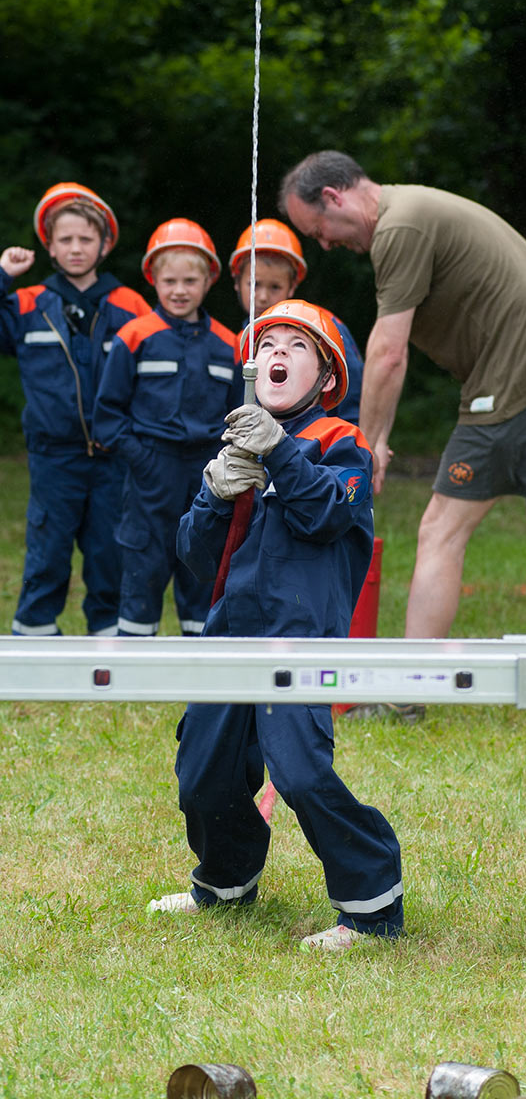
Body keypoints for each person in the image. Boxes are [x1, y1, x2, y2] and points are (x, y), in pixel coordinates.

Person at [278, 151, 526, 716]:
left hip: (522, 368)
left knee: (440, 528)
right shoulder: (414, 210)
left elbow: (388, 353)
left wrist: (365, 446)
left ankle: (406, 697)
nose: (326, 244)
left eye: (319, 230)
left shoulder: (399, 228)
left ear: (335, 198)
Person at [148, 300, 404, 950]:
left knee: (302, 774)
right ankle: (226, 883)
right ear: (251, 368)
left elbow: (328, 514)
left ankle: (372, 906)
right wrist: (214, 492)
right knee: (202, 772)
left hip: (301, 635)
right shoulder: (238, 445)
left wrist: (280, 453)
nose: (277, 353)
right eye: (267, 345)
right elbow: (195, 556)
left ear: (327, 377)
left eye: (297, 345)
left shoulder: (341, 444)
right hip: (230, 634)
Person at [0, 182, 151, 636]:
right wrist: (3, 274)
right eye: (65, 239)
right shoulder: (27, 304)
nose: (76, 248)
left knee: (109, 552)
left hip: (112, 456)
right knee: (47, 550)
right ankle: (34, 632)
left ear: (105, 244)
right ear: (49, 246)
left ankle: (108, 637)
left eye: (86, 238)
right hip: (53, 457)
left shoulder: (130, 306)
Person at [93, 218, 241, 635]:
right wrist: (140, 458)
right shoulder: (134, 336)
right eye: (169, 281)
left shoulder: (229, 344)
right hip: (150, 470)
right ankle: (135, 652)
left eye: (189, 281)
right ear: (153, 280)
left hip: (207, 472)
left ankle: (200, 653)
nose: (179, 290)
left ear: (208, 281)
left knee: (202, 562)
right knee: (144, 562)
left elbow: (237, 417)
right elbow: (107, 414)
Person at [228, 218, 365, 423]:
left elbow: (352, 406)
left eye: (275, 287)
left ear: (292, 286)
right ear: (237, 282)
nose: (263, 297)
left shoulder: (324, 327)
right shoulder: (237, 342)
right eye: (254, 284)